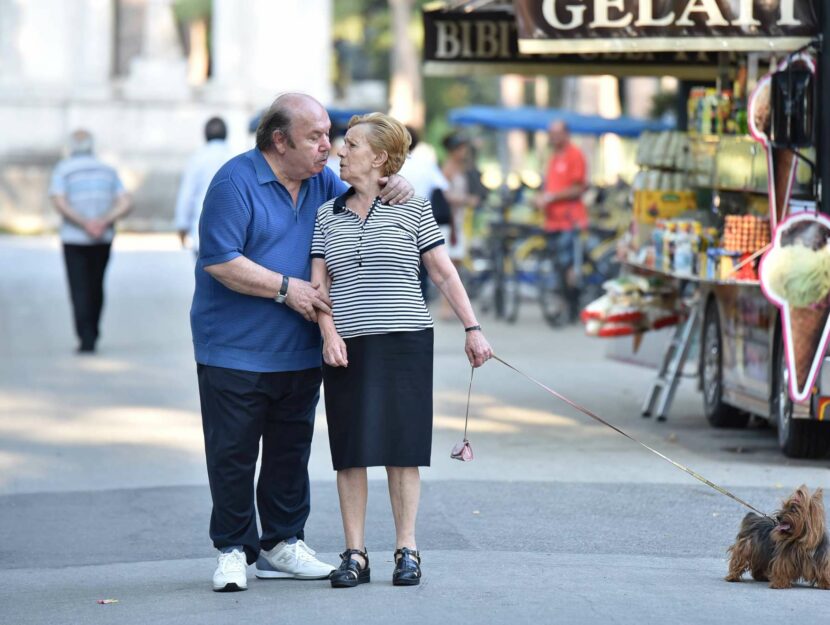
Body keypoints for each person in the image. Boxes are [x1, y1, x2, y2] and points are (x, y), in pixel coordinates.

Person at [191, 93, 413, 592]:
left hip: (298, 348)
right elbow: (221, 261)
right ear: (279, 140)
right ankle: (231, 548)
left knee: (290, 450)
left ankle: (281, 544)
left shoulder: (322, 183)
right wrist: (287, 288)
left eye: (330, 135)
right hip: (233, 347)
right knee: (233, 452)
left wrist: (395, 181)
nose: (327, 147)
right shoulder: (236, 180)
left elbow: (366, 192)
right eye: (315, 136)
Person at [310, 113, 493, 589]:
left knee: (401, 447)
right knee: (349, 451)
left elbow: (443, 273)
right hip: (348, 344)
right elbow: (318, 285)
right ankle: (355, 553)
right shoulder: (327, 214)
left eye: (350, 143)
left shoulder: (412, 208)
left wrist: (473, 328)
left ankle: (406, 549)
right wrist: (329, 334)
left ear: (380, 158)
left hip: (406, 341)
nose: (339, 150)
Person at [49, 129, 131, 353]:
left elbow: (59, 201)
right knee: (96, 285)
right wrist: (104, 221)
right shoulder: (107, 170)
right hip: (102, 238)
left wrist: (85, 223)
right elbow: (125, 201)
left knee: (79, 287)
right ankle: (92, 331)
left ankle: (85, 336)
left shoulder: (63, 170)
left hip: (74, 238)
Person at [533, 120, 589, 322]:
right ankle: (565, 303)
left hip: (570, 220)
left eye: (557, 133)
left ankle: (573, 305)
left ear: (566, 133)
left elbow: (578, 188)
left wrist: (551, 197)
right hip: (552, 222)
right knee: (557, 265)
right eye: (551, 133)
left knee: (568, 264)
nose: (553, 137)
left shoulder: (575, 155)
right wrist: (540, 198)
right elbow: (549, 186)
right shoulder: (553, 156)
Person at [399, 125, 449, 301]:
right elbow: (444, 188)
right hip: (421, 225)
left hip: (391, 225)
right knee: (421, 272)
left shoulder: (386, 166)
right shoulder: (426, 166)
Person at [174, 116, 232, 256]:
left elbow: (187, 195)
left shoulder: (197, 159)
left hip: (202, 236)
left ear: (205, 135)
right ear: (226, 134)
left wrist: (182, 227)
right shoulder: (235, 157)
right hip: (232, 237)